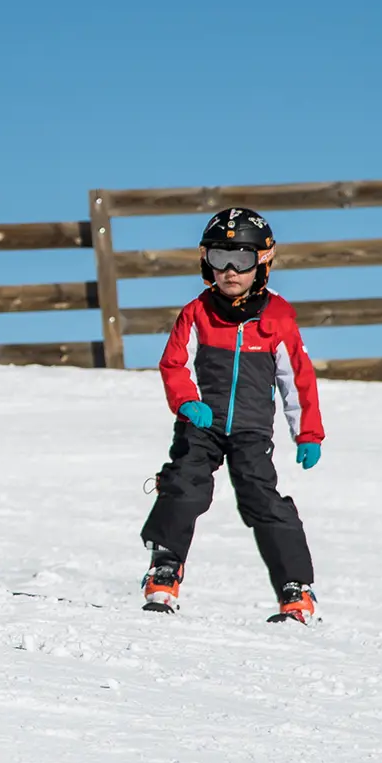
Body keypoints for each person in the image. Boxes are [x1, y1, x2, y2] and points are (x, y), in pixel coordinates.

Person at [139, 208, 326, 623]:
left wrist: (308, 434)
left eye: (240, 260)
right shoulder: (196, 313)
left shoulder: (278, 320)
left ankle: (295, 589)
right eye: (219, 258)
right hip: (201, 423)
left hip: (250, 430)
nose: (229, 271)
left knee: (263, 500)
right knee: (184, 485)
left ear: (262, 262)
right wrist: (187, 401)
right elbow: (174, 364)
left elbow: (297, 379)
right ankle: (165, 568)